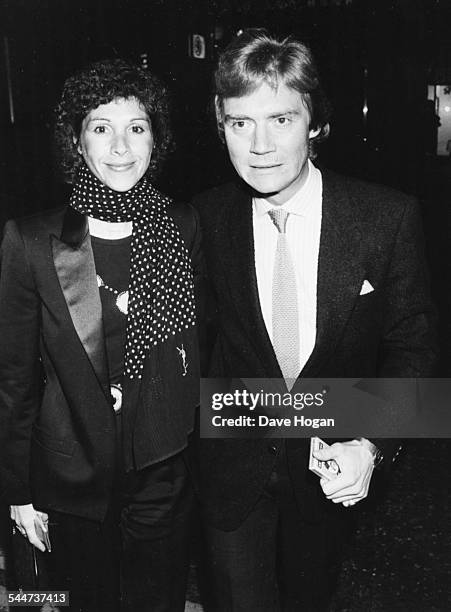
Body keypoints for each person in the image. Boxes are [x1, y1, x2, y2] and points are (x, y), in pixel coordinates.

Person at [192, 29, 437, 611]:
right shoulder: (202, 219)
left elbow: (414, 351)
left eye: (280, 119)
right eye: (239, 123)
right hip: (231, 466)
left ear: (315, 123)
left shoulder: (386, 218)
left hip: (329, 464)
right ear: (221, 127)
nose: (259, 145)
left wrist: (372, 445)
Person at [0, 58, 203, 612]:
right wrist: (17, 492)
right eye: (101, 128)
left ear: (155, 140)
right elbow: (15, 379)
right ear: (77, 140)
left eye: (137, 128)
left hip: (162, 461)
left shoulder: (181, 224)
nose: (120, 147)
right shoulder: (30, 240)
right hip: (72, 472)